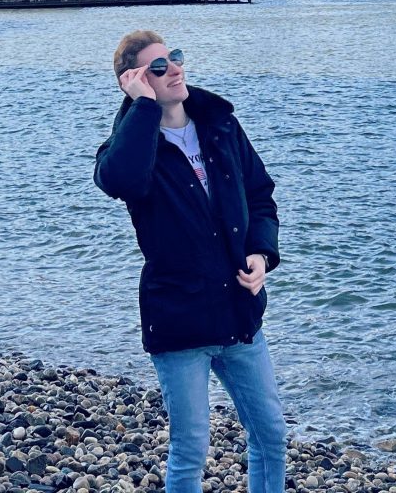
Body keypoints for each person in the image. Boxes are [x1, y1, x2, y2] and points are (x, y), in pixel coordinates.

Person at [94, 31, 286, 493]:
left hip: (239, 312)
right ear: (134, 80)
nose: (175, 69)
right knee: (190, 448)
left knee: (271, 436)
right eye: (158, 67)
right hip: (179, 319)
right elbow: (120, 181)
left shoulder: (220, 126)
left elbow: (260, 196)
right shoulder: (130, 147)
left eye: (175, 58)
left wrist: (261, 254)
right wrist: (142, 107)